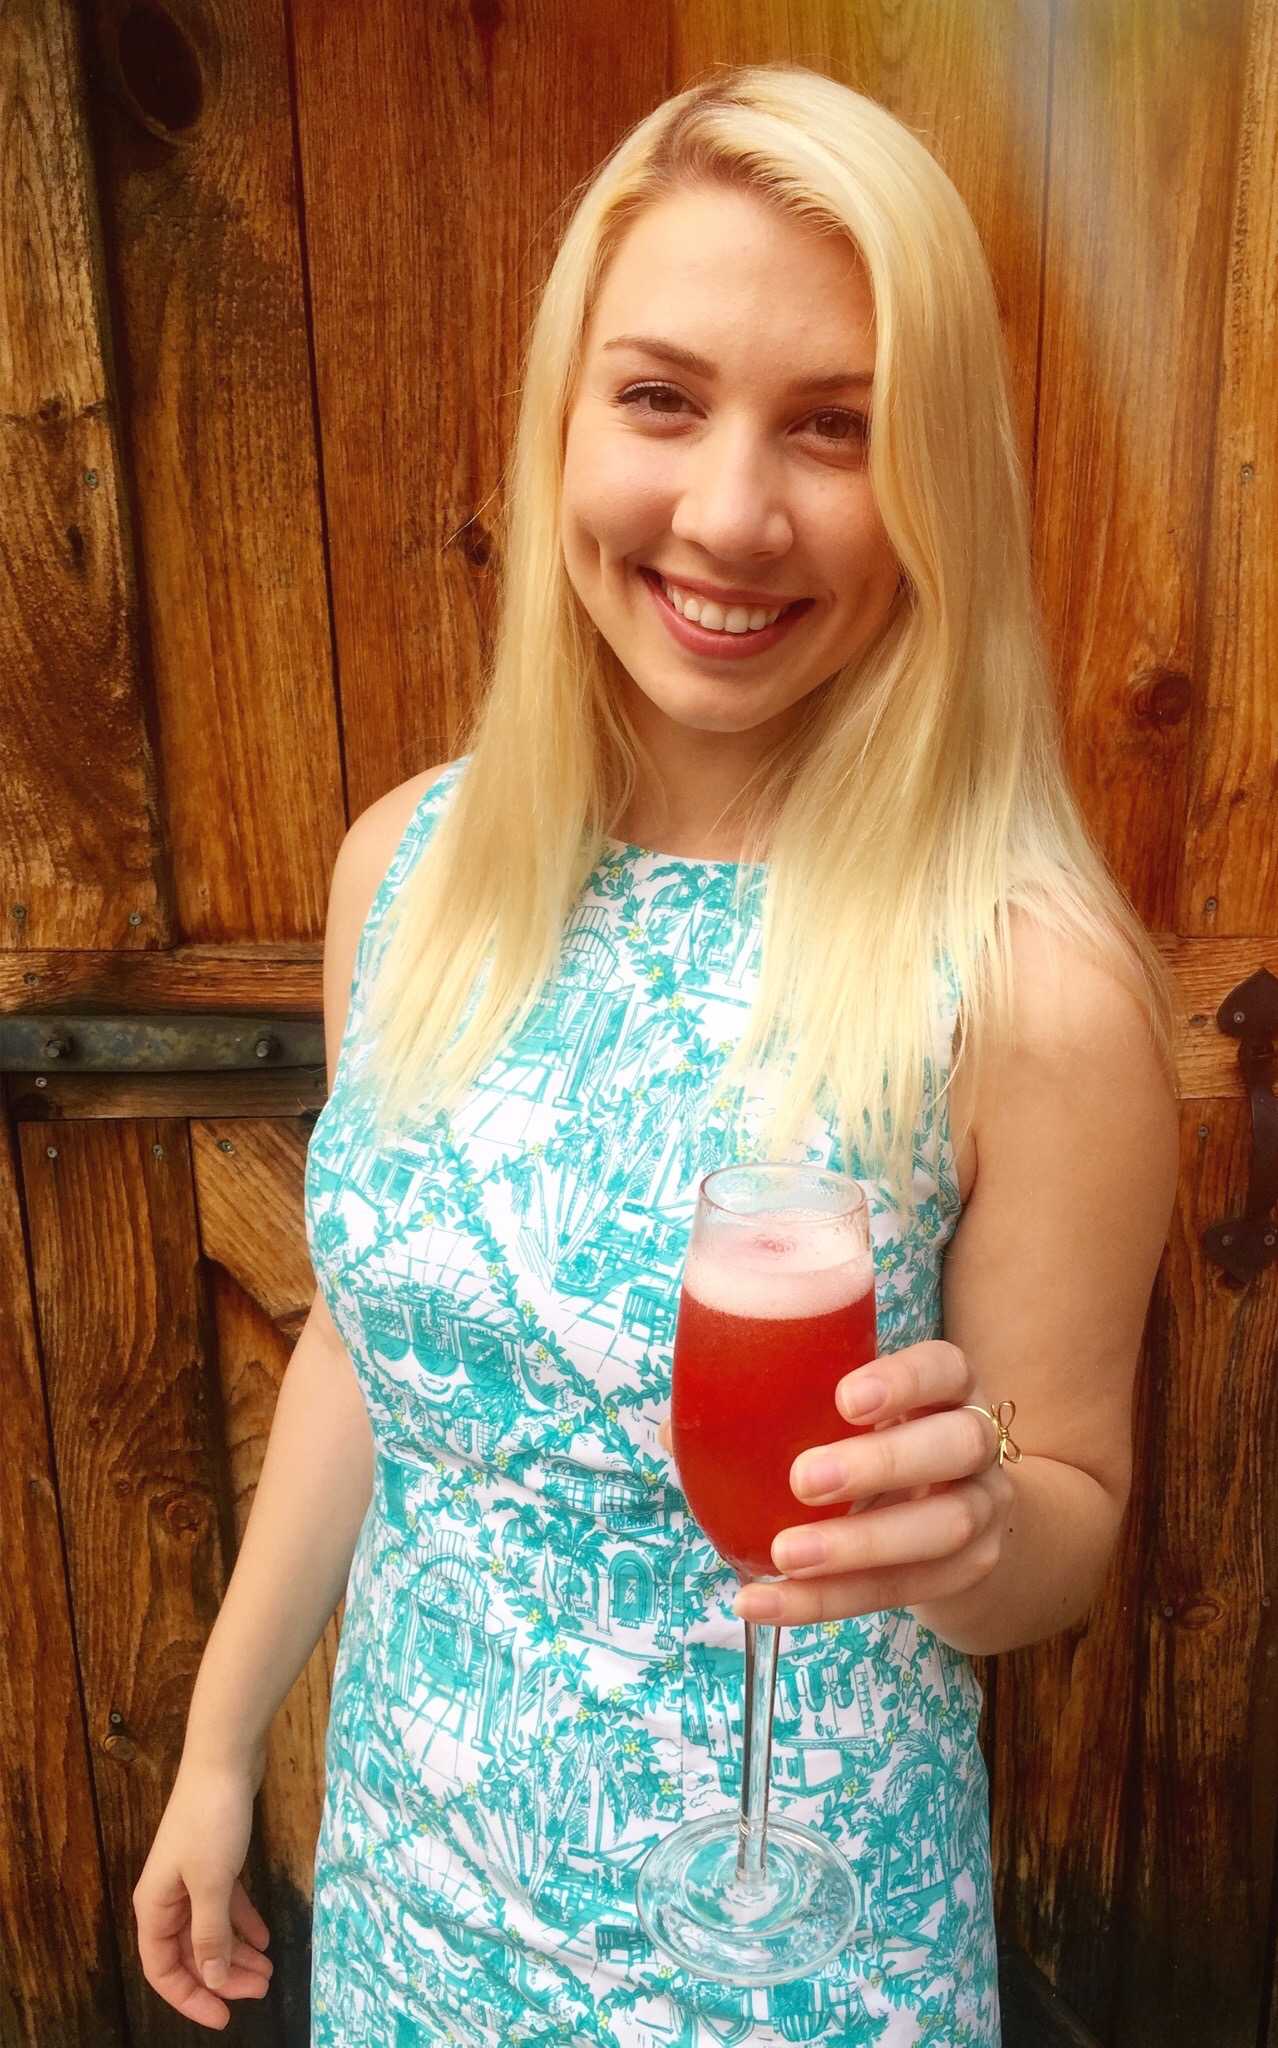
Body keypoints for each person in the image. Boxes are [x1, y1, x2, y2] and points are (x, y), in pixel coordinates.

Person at [133, 64, 1179, 2045]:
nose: (728, 514)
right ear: (566, 424)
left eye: (836, 426)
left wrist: (973, 1529)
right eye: (663, 398)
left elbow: (1070, 1513)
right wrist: (219, 1744)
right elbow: (365, 1342)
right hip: (415, 1894)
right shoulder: (410, 872)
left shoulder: (1028, 987)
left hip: (785, 1958)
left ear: (935, 481)